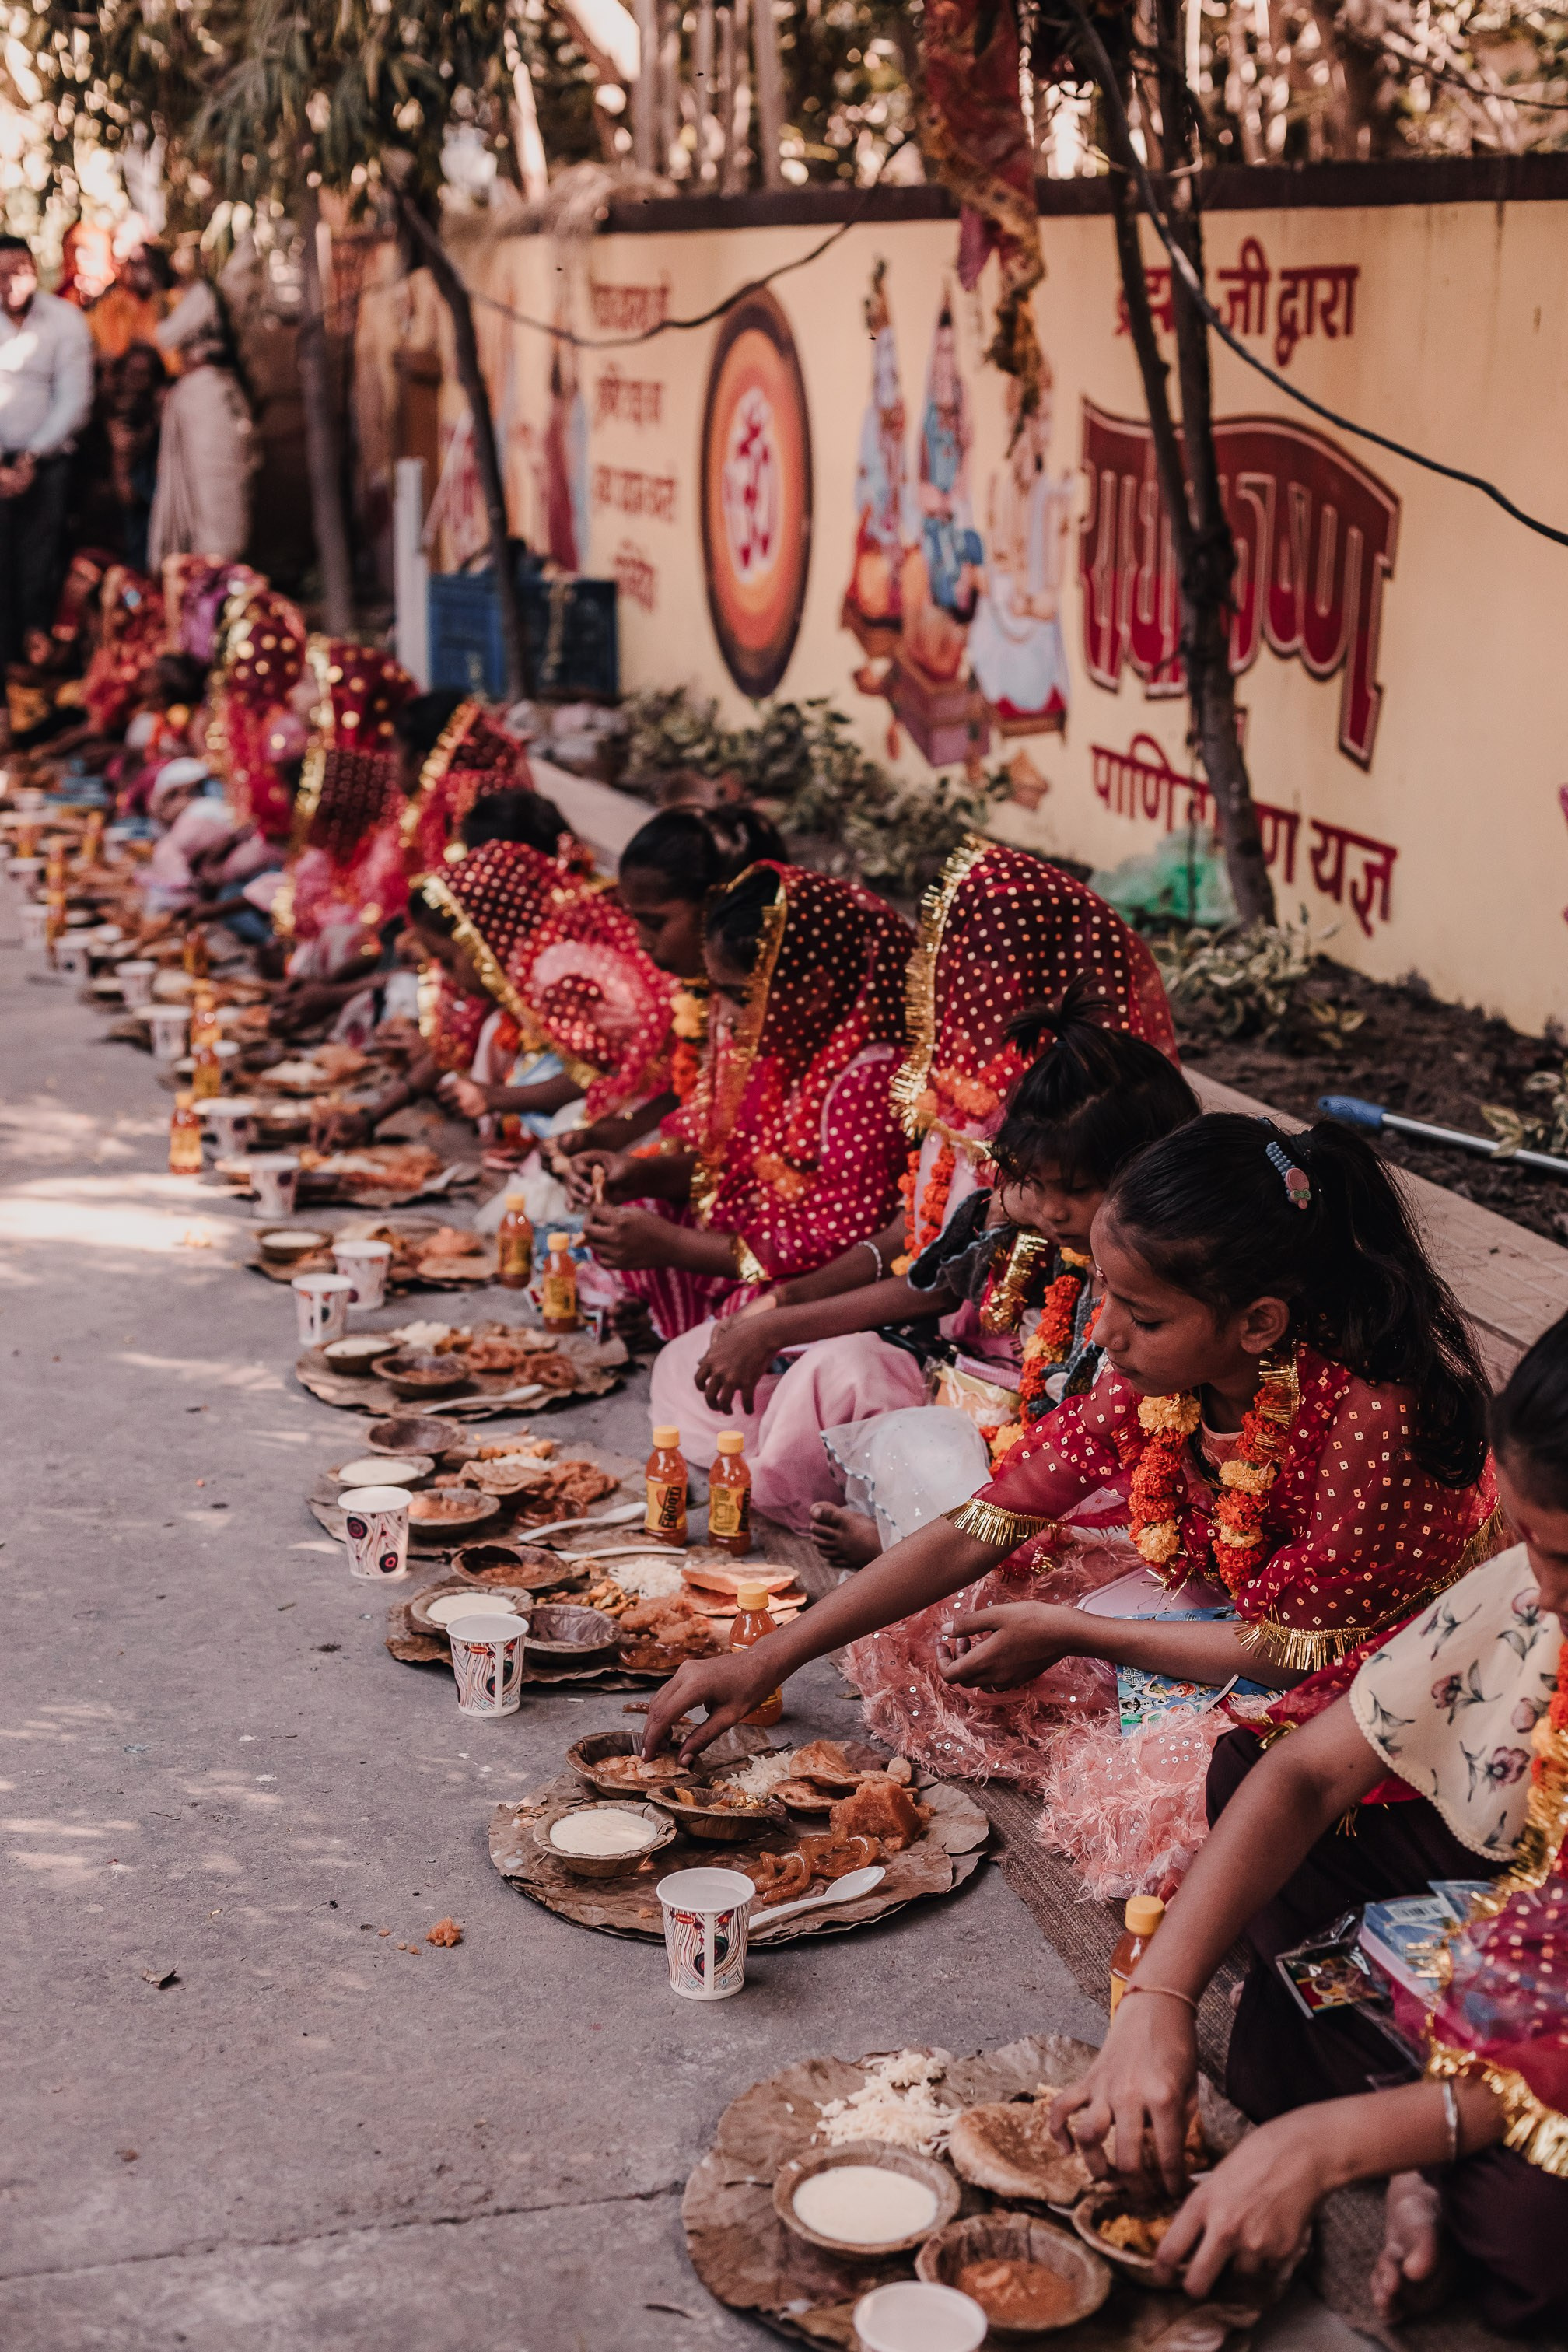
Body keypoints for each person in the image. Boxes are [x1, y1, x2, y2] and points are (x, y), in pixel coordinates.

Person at [644, 1113, 1499, 1899]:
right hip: (1232, 1597)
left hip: (1360, 1650)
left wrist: (1077, 1634)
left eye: (1142, 1315)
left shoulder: (1372, 1415)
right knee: (952, 1614)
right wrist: (772, 1658)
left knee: (1178, 1792)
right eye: (1107, 1296)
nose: (1104, 1335)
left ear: (1260, 1324)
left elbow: (1290, 1651)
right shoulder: (1158, 1374)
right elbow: (983, 1523)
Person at [1046, 1312, 1568, 2336]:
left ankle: (1422, 2126)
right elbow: (1304, 1780)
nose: (1541, 1598)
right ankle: (1424, 2117)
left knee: (1532, 2233)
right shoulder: (1534, 1596)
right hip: (1507, 1893)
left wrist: (1324, 2147)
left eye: (1565, 1559)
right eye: (1529, 1546)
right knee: (1256, 1772)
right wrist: (1159, 1997)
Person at [649, 837, 1182, 1537]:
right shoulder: (959, 1096)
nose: (949, 986)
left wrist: (777, 1313)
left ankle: (894, 1533)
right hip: (943, 1356)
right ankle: (878, 1514)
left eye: (971, 967)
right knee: (714, 1368)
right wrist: (780, 1308)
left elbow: (935, 1283)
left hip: (1028, 1396)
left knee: (917, 1436)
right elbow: (923, 1248)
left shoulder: (1075, 1118)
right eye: (949, 963)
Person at [575, 861, 914, 1343]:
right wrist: (638, 1174)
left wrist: (675, 1247)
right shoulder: (781, 1046)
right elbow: (735, 1173)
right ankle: (664, 1323)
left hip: (823, 1280)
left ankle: (685, 1335)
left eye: (741, 996)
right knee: (644, 1202)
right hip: (760, 1243)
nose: (728, 1018)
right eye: (718, 994)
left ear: (815, 990)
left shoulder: (870, 1076)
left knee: (746, 1317)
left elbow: (834, 1244)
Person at [278, 639, 416, 988]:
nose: (293, 693)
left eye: (310, 683)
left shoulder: (369, 769)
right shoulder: (323, 749)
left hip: (378, 930)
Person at [0, 233, 94, 665]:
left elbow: (74, 399)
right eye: (1, 276)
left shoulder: (65, 321)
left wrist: (31, 458)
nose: (11, 284)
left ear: (35, 271)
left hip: (47, 463)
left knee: (40, 557)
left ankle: (36, 649)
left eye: (19, 273)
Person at [148, 282, 255, 567]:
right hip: (211, 396)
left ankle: (215, 572)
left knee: (213, 493)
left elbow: (165, 335)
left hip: (208, 399)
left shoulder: (208, 292)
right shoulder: (217, 291)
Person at [395, 690, 532, 873]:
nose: (390, 763)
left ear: (420, 761)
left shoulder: (462, 825)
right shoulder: (503, 795)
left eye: (395, 750)